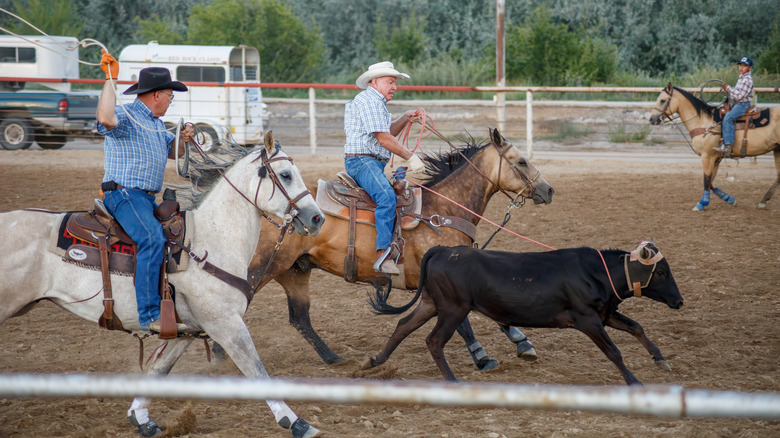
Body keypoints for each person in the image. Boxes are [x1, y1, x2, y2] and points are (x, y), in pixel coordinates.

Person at [96, 49, 195, 334]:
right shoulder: (126, 115)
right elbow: (104, 118)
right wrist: (110, 79)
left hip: (144, 198)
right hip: (124, 194)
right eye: (170, 96)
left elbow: (174, 152)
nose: (171, 101)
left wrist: (183, 137)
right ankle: (150, 315)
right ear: (156, 95)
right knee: (152, 238)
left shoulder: (155, 124)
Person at [344, 61, 425, 275]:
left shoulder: (375, 102)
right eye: (390, 82)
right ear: (375, 82)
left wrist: (405, 118)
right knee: (387, 196)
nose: (394, 87)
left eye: (395, 82)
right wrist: (410, 157)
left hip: (370, 162)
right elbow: (383, 138)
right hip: (362, 161)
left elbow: (387, 131)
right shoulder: (370, 102)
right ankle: (384, 254)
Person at [716, 56, 754, 155]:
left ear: (749, 68)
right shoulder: (741, 78)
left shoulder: (747, 80)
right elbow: (736, 93)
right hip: (737, 103)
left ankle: (728, 146)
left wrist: (728, 88)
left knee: (728, 118)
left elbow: (740, 95)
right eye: (740, 65)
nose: (741, 68)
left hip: (743, 104)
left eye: (744, 66)